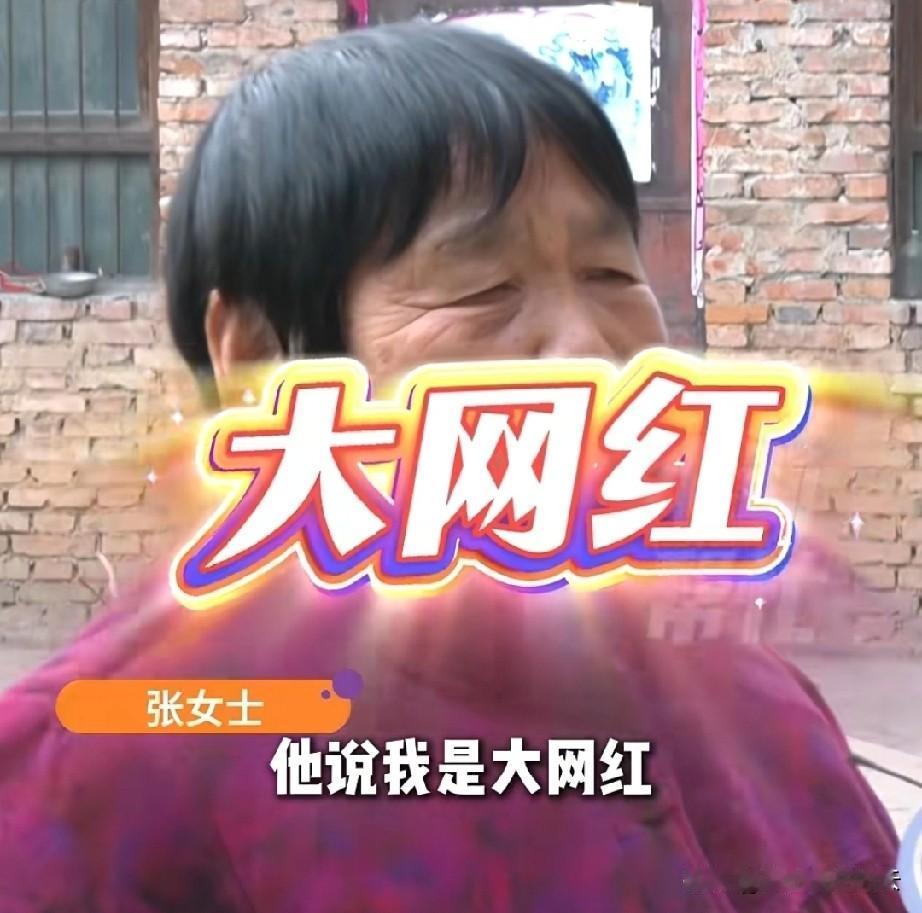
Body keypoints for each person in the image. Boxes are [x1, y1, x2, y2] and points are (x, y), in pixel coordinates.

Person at [0, 24, 901, 912]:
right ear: (262, 360)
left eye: (610, 275)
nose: (590, 355)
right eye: (483, 288)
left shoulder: (753, 697)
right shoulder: (98, 772)